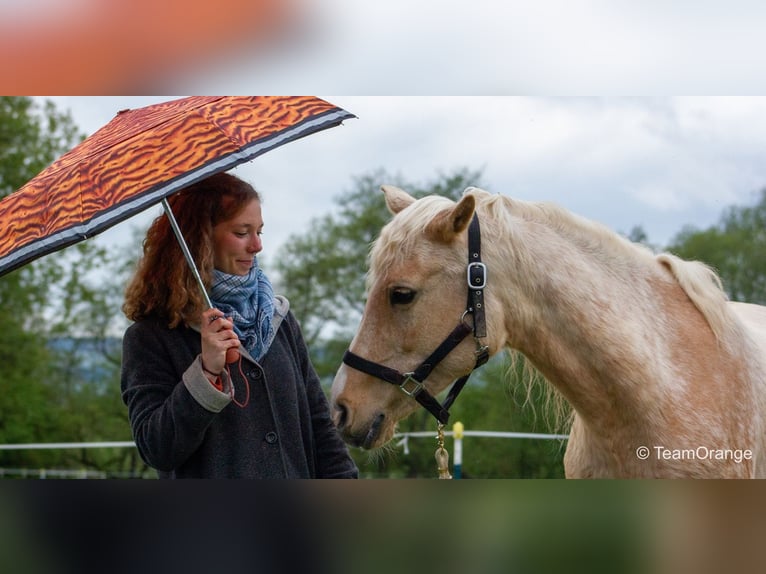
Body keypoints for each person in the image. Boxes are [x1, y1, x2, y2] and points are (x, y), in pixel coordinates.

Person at [120, 172, 358, 478]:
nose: (257, 245)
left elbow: (318, 425)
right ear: (202, 238)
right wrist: (205, 373)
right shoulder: (149, 338)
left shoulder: (278, 319)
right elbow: (157, 449)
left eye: (260, 231)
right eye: (242, 232)